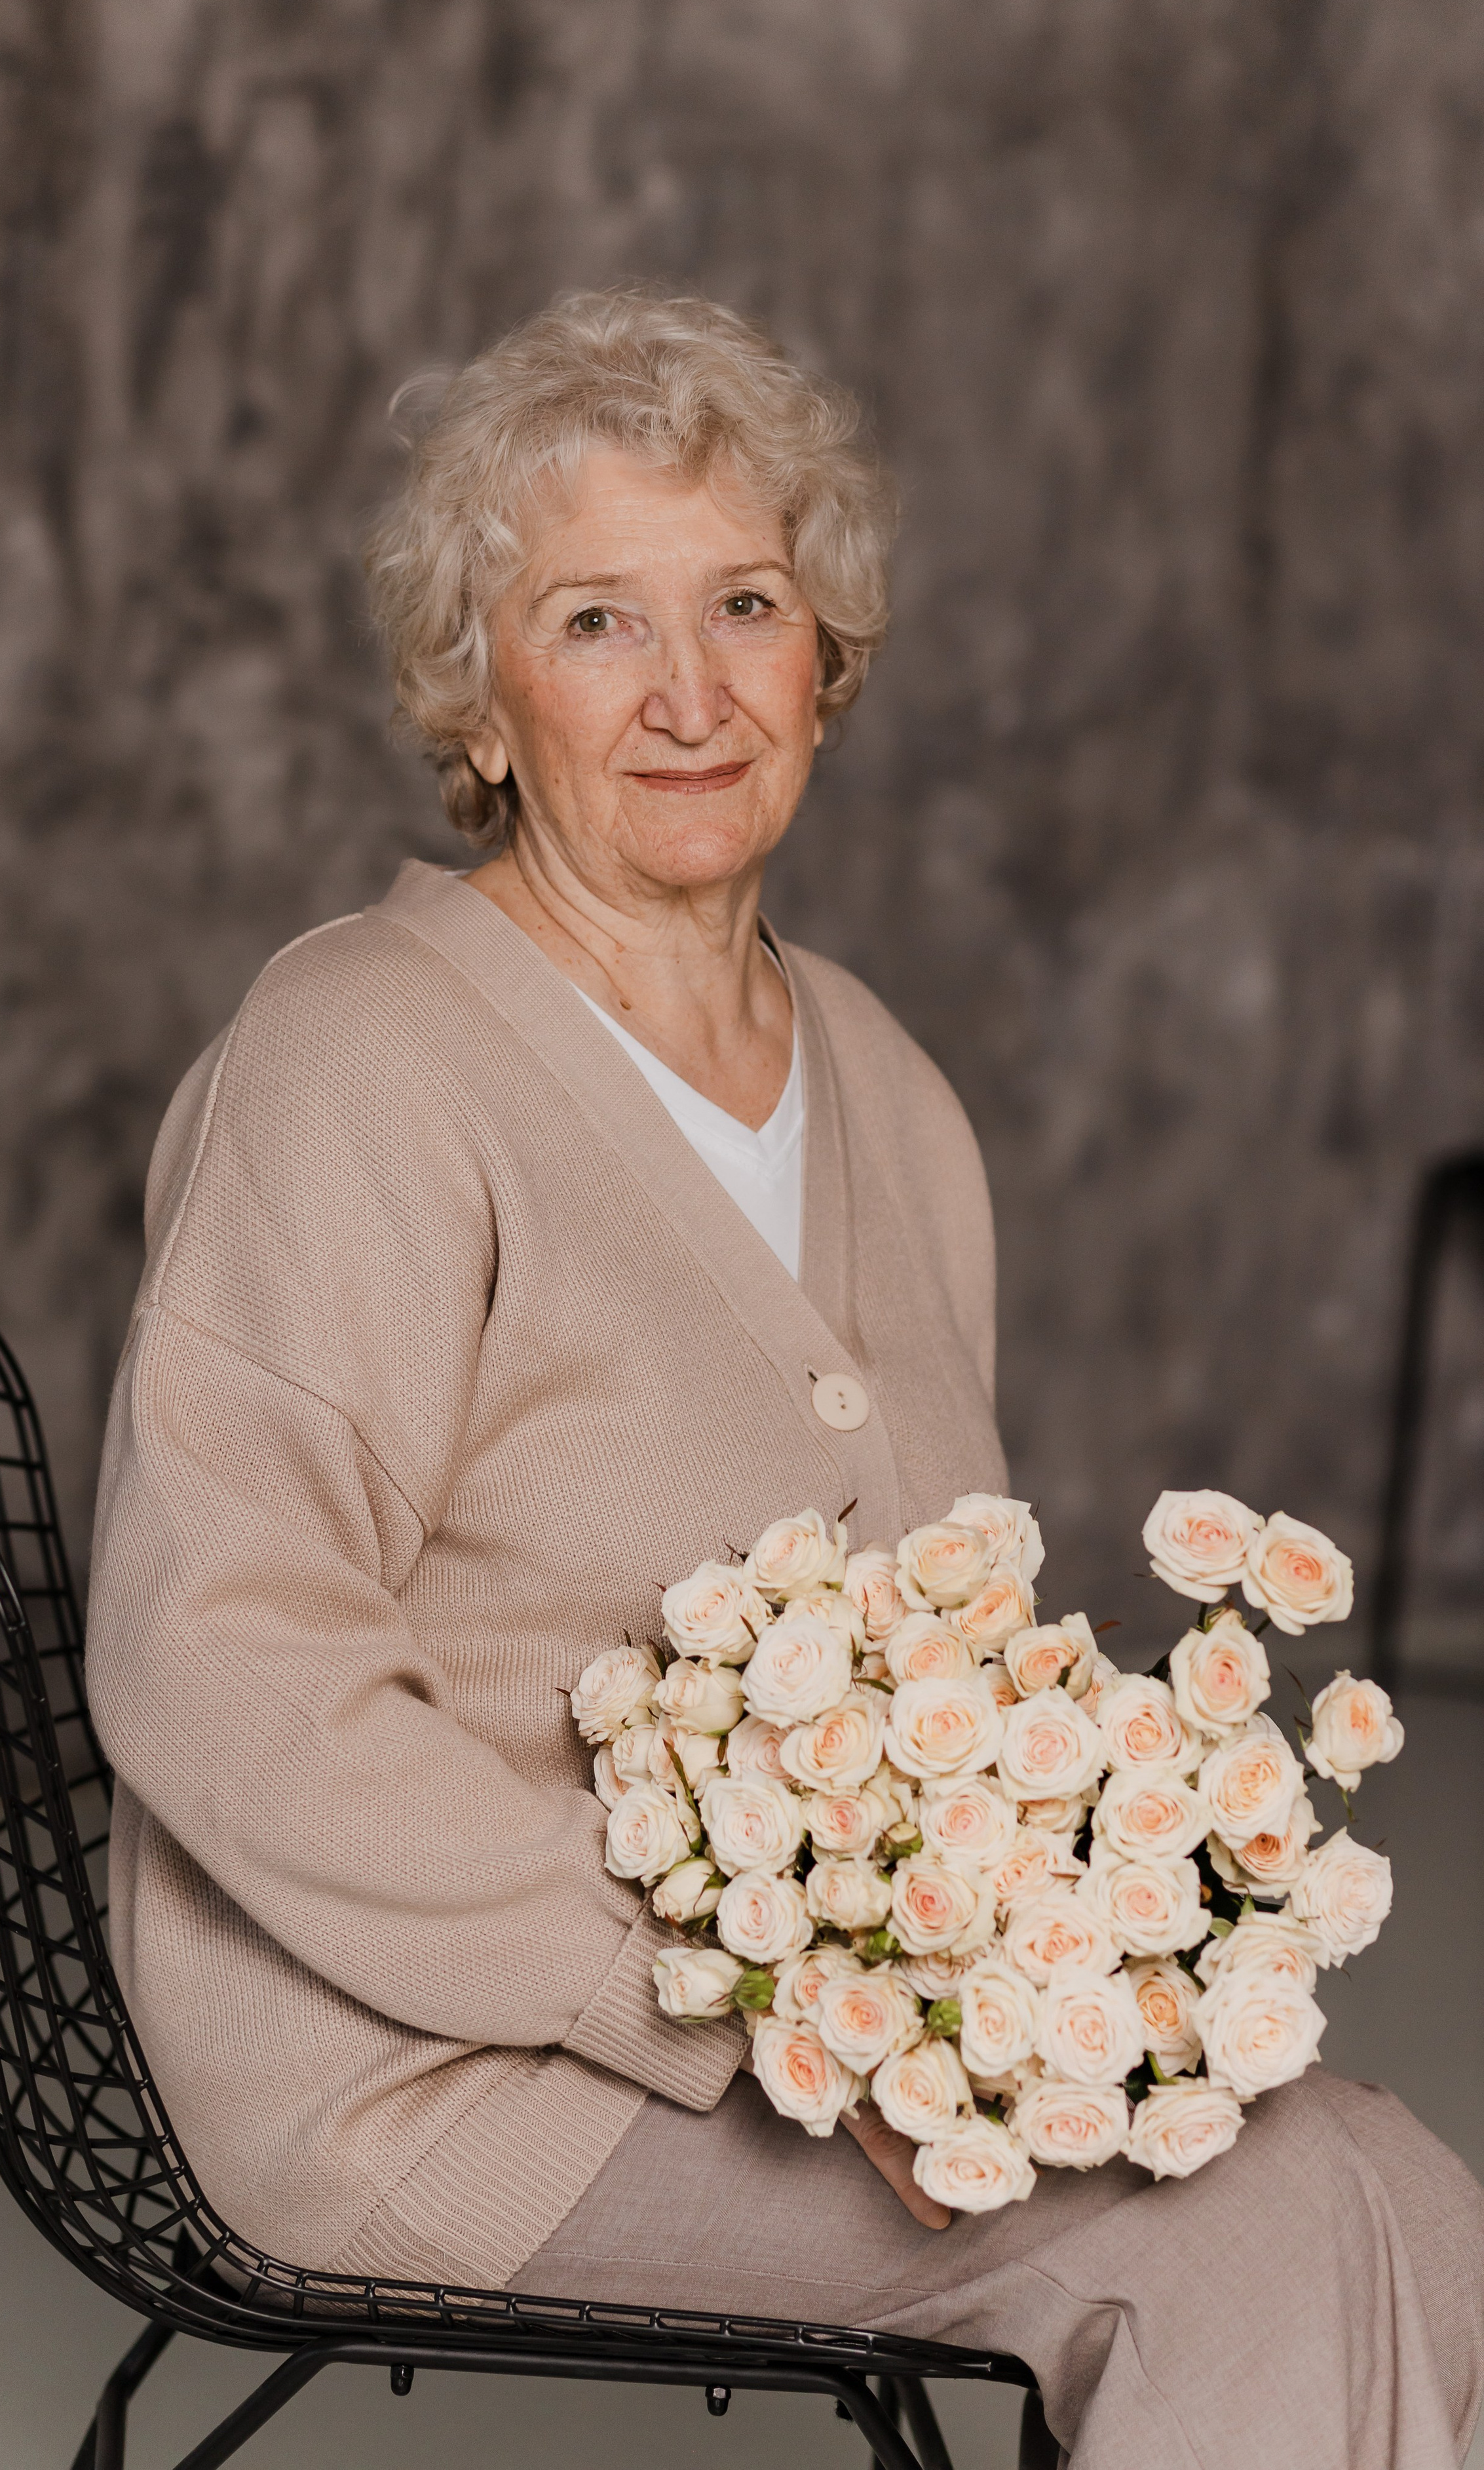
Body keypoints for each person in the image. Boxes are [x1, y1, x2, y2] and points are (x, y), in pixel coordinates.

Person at [85, 290, 1484, 2469]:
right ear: (483, 690)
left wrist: (1065, 1992)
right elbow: (219, 1668)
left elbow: (951, 1650)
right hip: (438, 2069)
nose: (689, 692)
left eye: (745, 601)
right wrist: (781, 2026)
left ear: (829, 653)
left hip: (834, 2022)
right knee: (1247, 2235)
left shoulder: (891, 1089)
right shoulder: (357, 1058)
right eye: (596, 622)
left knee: (1394, 2188)